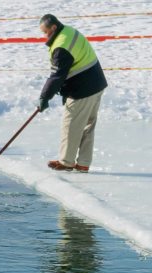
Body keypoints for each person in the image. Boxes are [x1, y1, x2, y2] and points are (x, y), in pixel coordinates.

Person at [37, 14, 108, 173]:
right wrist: (64, 91)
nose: (44, 36)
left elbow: (57, 75)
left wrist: (44, 97)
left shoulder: (61, 47)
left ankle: (66, 162)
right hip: (97, 83)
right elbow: (72, 66)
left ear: (54, 28)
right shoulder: (69, 31)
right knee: (88, 125)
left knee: (71, 125)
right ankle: (83, 163)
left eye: (45, 32)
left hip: (83, 89)